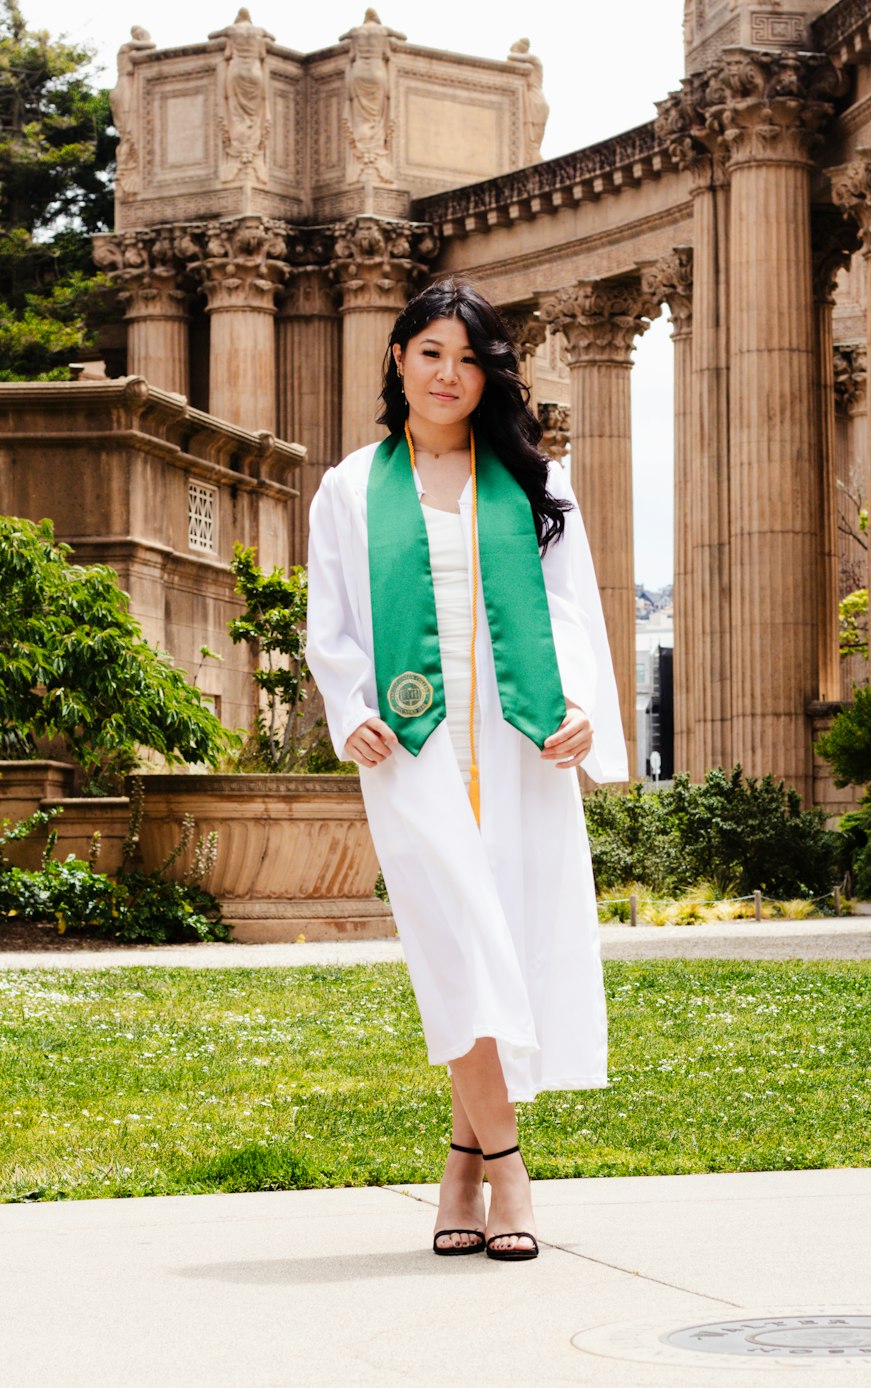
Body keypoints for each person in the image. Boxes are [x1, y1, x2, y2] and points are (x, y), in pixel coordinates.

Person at [305, 277, 626, 1263]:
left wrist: (578, 712)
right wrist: (353, 707)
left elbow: (573, 610)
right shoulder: (352, 487)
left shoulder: (535, 483)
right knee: (455, 944)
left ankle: (459, 1162)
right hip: (413, 747)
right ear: (398, 359)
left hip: (518, 736)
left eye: (468, 357)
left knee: (507, 944)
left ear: (490, 375)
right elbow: (334, 624)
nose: (448, 373)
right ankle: (512, 1168)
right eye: (429, 351)